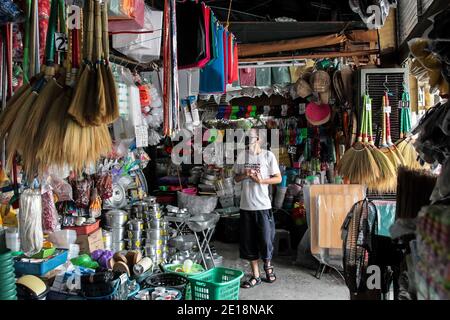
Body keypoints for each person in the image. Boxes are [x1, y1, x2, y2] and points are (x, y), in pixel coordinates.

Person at [233, 128, 282, 288]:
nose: (248, 140)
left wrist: (261, 181)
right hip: (246, 207)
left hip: (263, 206)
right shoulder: (242, 156)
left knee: (266, 240)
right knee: (249, 242)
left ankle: (268, 267)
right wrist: (245, 174)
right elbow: (235, 178)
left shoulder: (268, 155)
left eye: (251, 137)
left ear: (259, 139)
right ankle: (255, 275)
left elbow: (278, 178)